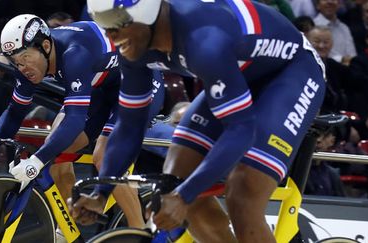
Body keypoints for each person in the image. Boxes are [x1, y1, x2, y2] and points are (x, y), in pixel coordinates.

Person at [70, 0, 326, 242]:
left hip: (291, 73)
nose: (110, 35)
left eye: (115, 21)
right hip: (237, 74)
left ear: (145, 10)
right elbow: (128, 126)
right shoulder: (133, 47)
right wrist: (100, 193)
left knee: (243, 192)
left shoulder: (204, 40)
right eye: (102, 21)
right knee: (173, 183)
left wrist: (184, 196)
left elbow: (241, 129)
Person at [0, 14, 165, 240]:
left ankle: (141, 232)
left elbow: (75, 120)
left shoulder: (74, 54)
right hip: (102, 85)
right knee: (56, 152)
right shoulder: (29, 63)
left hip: (140, 83)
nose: (22, 66)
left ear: (46, 46)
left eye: (26, 58)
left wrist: (36, 162)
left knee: (104, 157)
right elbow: (15, 112)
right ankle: (70, 229)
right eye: (15, 62)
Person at [313, 0, 357, 65]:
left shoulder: (344, 27)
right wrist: (342, 59)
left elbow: (353, 56)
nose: (330, 1)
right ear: (317, 5)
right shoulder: (312, 27)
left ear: (339, 4)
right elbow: (317, 56)